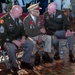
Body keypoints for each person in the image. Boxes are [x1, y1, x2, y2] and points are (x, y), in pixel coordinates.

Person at [0, 5, 34, 75]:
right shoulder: (3, 20)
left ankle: (25, 61)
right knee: (12, 49)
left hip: (18, 37)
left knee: (30, 44)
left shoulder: (19, 18)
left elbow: (23, 30)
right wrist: (14, 41)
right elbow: (2, 35)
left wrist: (24, 36)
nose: (21, 14)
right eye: (20, 13)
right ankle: (14, 66)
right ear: (14, 12)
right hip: (7, 40)